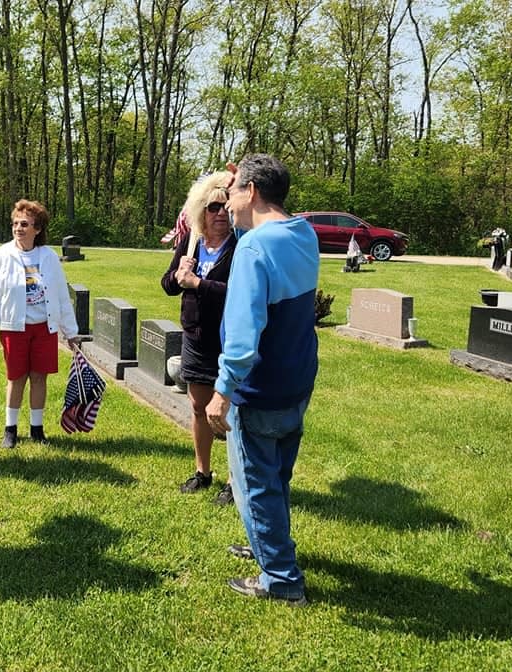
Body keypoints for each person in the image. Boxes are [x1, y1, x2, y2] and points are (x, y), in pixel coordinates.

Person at [205, 154, 319, 606]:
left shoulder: (254, 248)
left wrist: (223, 390)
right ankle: (264, 545)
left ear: (251, 191)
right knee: (277, 476)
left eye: (232, 193)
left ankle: (280, 579)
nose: (227, 204)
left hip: (261, 386)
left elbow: (244, 330)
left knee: (256, 484)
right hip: (297, 378)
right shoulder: (303, 233)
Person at [161, 171, 237, 503]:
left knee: (231, 413)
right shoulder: (190, 242)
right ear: (200, 211)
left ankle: (237, 481)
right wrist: (179, 276)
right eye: (212, 207)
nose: (220, 214)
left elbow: (238, 293)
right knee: (198, 407)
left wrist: (198, 284)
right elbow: (167, 285)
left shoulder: (239, 248)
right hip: (195, 336)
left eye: (225, 207)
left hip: (228, 337)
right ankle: (203, 472)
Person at [0, 199, 80, 448]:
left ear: (37, 228)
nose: (18, 228)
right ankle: (10, 429)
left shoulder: (48, 257)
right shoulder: (1, 255)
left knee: (39, 377)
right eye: (15, 223)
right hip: (14, 328)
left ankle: (37, 429)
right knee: (16, 378)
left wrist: (71, 331)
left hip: (44, 328)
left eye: (25, 224)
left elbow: (60, 295)